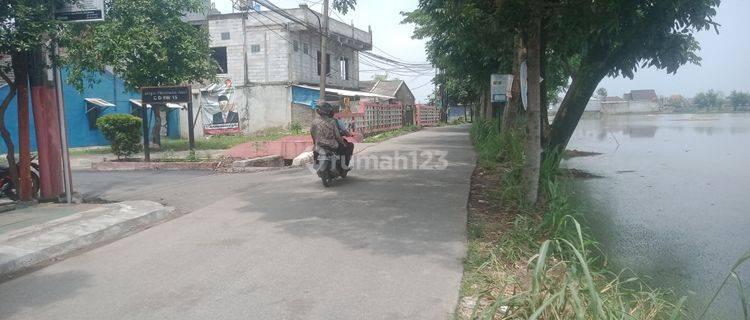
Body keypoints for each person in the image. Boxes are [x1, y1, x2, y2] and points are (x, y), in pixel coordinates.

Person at [310, 103, 354, 167]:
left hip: (318, 145)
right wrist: (342, 143)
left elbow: (312, 134)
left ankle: (317, 163)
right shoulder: (333, 121)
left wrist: (315, 143)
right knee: (348, 147)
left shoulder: (314, 122)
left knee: (315, 151)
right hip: (332, 144)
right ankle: (344, 166)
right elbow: (337, 136)